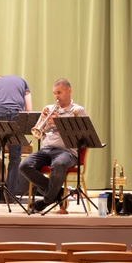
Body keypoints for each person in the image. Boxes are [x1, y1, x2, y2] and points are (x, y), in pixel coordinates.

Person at [20, 78, 88, 213]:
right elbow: (36, 134)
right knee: (24, 166)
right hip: (46, 150)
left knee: (58, 164)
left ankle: (46, 201)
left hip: (67, 151)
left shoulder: (78, 110)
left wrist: (59, 123)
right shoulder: (49, 108)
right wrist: (44, 123)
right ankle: (59, 194)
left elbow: (83, 135)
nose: (56, 96)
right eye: (54, 93)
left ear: (69, 91)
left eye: (59, 93)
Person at [0, 75, 32, 201]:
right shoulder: (22, 81)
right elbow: (29, 109)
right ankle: (10, 197)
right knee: (15, 159)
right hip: (16, 114)